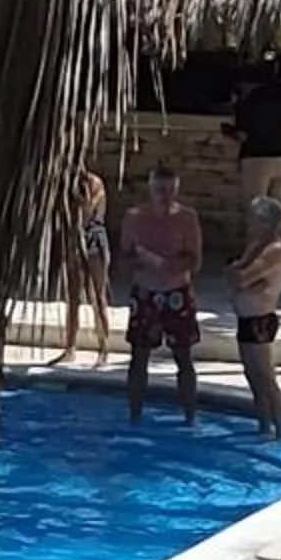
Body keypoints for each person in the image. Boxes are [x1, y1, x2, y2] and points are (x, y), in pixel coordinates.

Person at [114, 164, 203, 423]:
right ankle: (135, 416)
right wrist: (144, 262)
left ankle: (190, 417)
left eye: (170, 190)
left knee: (183, 357)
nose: (165, 196)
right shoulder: (134, 218)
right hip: (145, 294)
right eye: (160, 190)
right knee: (139, 357)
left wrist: (169, 266)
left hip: (177, 293)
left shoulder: (187, 218)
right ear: (151, 189)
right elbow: (124, 259)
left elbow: (195, 260)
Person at [229, 194, 281, 439]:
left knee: (265, 377)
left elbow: (240, 277)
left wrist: (240, 278)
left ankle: (280, 432)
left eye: (254, 219)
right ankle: (264, 427)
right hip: (246, 318)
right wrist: (240, 278)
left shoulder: (275, 250)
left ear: (265, 221)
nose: (250, 223)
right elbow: (234, 275)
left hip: (260, 320)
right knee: (251, 376)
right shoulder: (256, 246)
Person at [51, 169, 113, 367]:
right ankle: (70, 347)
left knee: (98, 295)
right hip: (75, 239)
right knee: (73, 297)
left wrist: (77, 199)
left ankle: (103, 348)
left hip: (94, 239)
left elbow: (87, 210)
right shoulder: (66, 184)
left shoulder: (95, 183)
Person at [224, 65, 281, 224]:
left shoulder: (247, 101)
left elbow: (242, 135)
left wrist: (227, 130)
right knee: (279, 206)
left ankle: (258, 246)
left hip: (257, 158)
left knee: (256, 208)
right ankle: (280, 245)